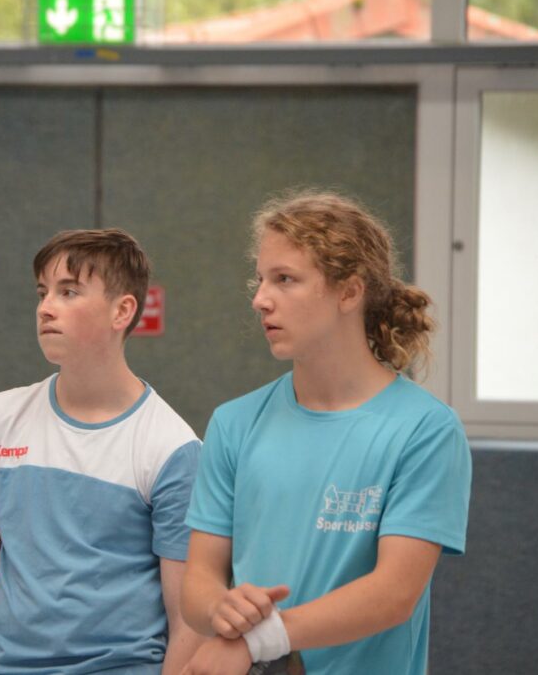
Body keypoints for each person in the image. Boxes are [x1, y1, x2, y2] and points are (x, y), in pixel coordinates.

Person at [0, 228, 204, 674]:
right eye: (42, 292)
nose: (46, 307)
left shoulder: (171, 447)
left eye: (68, 292)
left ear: (122, 311)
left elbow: (189, 625)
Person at [179, 191, 472, 675]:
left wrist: (257, 640)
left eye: (285, 279)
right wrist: (219, 609)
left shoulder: (425, 430)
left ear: (349, 292)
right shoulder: (234, 423)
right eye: (260, 279)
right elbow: (199, 582)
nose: (259, 299)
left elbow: (394, 594)